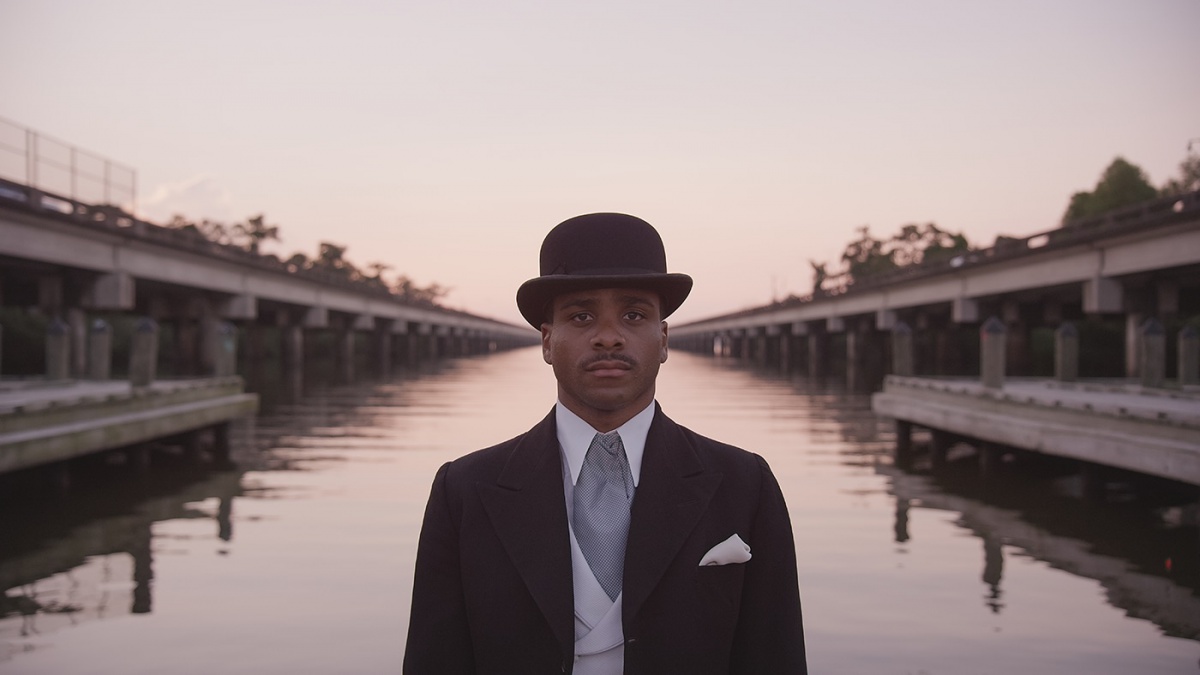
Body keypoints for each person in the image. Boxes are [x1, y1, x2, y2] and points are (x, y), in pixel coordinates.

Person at [403, 213, 807, 674]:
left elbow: (776, 656)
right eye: (581, 316)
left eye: (634, 315)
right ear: (547, 342)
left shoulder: (744, 482)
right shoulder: (465, 489)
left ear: (664, 339)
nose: (609, 336)